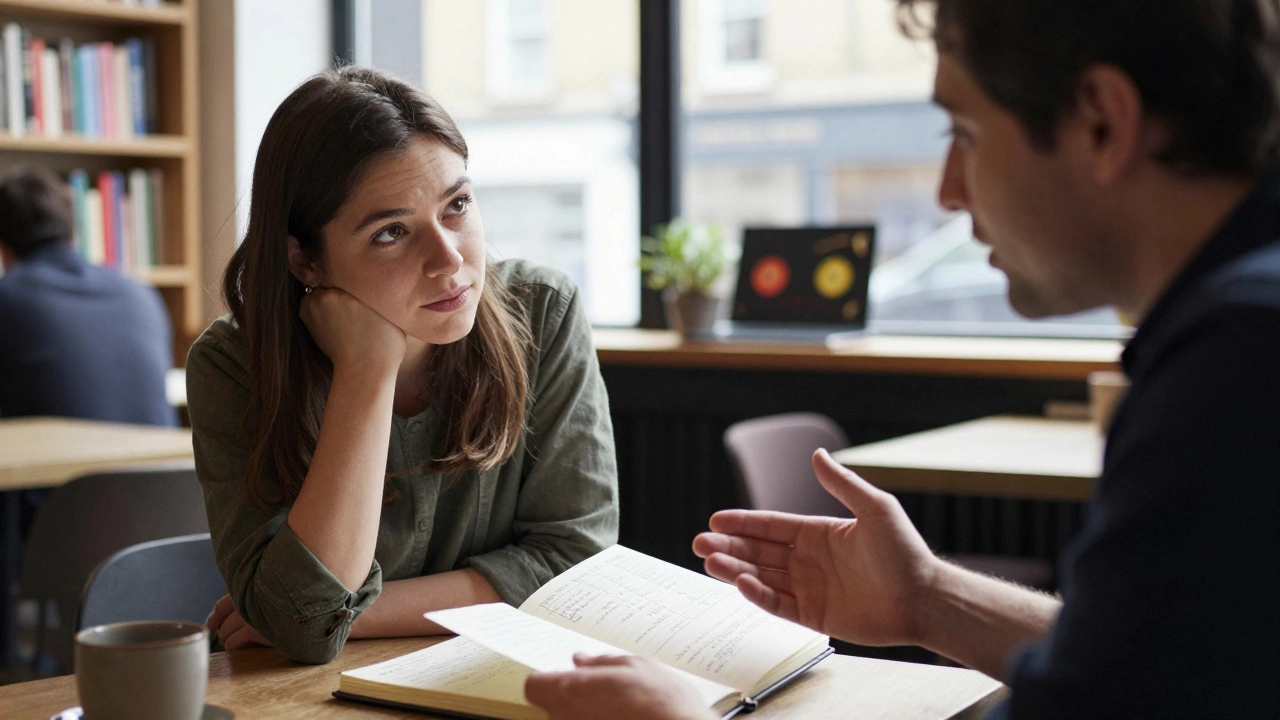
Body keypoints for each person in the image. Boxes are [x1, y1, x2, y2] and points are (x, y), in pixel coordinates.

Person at [525, 0, 1280, 717]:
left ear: (1101, 124)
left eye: (965, 133)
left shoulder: (1236, 371)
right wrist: (928, 599)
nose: (950, 192)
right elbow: (1146, 678)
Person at [187, 66, 619, 664]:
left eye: (457, 205)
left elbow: (578, 571)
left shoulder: (543, 314)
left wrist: (350, 616)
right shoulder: (234, 366)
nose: (448, 260)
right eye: (391, 232)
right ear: (305, 262)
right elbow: (302, 631)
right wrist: (365, 372)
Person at [0, 165, 175, 425]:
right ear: (73, 231)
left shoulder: (8, 298)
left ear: (3, 246)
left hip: (62, 465)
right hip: (164, 464)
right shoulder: (140, 293)